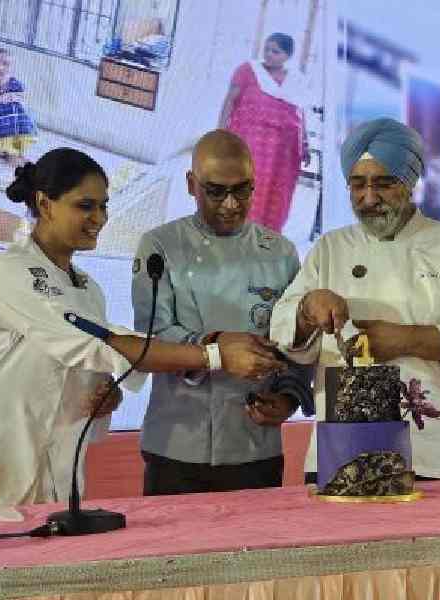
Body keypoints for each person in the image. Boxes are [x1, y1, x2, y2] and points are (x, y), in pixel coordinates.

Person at [0, 148, 284, 511]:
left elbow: (95, 363)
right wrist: (215, 354)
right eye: (85, 206)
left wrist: (104, 395)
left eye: (103, 206)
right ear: (45, 203)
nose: (99, 218)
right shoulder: (11, 273)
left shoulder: (86, 286)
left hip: (49, 468)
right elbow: (96, 343)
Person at [270, 118, 440, 480]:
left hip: (427, 453)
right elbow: (284, 328)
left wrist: (408, 339)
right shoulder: (330, 249)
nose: (369, 198)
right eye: (358, 185)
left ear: (410, 182)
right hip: (340, 450)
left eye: (383, 184)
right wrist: (308, 309)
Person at [133, 130, 313, 495]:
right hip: (177, 439)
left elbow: (297, 341)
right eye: (215, 191)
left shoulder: (280, 252)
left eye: (242, 190)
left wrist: (288, 398)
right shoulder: (160, 246)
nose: (230, 204)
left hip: (254, 442)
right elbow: (150, 338)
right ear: (191, 184)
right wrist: (217, 347)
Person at [218, 32, 309, 233]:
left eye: (275, 51)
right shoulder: (248, 70)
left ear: (288, 55)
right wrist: (220, 131)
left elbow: (301, 114)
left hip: (283, 151)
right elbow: (230, 100)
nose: (268, 54)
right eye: (266, 49)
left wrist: (305, 144)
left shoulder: (297, 80)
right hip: (250, 143)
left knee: (276, 193)